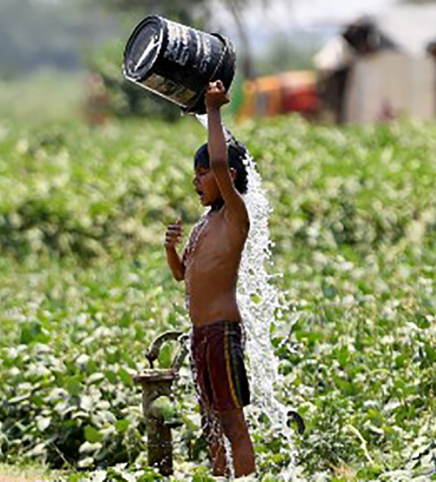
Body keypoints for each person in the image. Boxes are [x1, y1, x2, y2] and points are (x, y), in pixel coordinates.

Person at [164, 80, 256, 478]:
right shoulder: (204, 225)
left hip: (222, 333)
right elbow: (181, 275)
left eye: (203, 173)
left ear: (228, 176)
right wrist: (170, 249)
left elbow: (220, 162)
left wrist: (213, 110)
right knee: (211, 426)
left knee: (232, 423)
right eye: (196, 174)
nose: (197, 181)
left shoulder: (235, 216)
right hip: (201, 335)